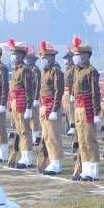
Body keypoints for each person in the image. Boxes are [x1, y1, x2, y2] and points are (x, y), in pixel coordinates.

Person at [67, 39, 103, 181]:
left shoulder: (91, 71)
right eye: (77, 54)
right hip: (78, 107)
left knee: (90, 139)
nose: (78, 57)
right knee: (81, 139)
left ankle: (93, 170)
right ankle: (86, 169)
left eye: (80, 54)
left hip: (88, 107)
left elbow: (95, 93)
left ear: (87, 55)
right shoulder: (76, 70)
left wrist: (96, 112)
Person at [5, 42, 38, 169]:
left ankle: (27, 158)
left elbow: (29, 90)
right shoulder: (16, 70)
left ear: (21, 56)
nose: (13, 56)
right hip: (15, 102)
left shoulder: (25, 70)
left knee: (25, 131)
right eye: (12, 54)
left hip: (22, 103)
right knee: (20, 130)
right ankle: (24, 156)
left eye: (15, 54)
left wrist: (29, 107)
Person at [37, 42, 66, 175]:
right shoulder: (45, 72)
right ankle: (52, 161)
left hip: (52, 107)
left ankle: (57, 163)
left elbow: (58, 91)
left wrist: (54, 110)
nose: (44, 60)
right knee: (47, 136)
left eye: (46, 58)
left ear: (52, 58)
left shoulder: (56, 72)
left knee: (54, 136)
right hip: (44, 106)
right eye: (43, 58)